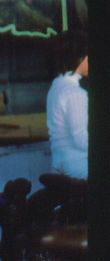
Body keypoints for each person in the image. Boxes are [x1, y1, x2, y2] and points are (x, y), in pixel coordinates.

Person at [46, 34, 88, 179]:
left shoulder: (56, 86)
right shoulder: (75, 93)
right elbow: (81, 139)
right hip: (77, 166)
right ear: (79, 59)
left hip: (58, 162)